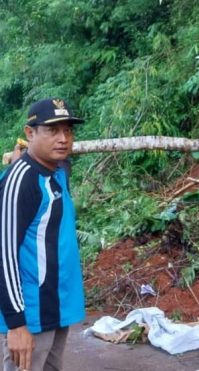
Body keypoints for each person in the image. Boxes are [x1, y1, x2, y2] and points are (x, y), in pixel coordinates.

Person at [0, 98, 85, 371]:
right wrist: (16, 324)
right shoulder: (21, 181)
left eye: (68, 131)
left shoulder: (58, 170)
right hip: (31, 315)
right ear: (29, 133)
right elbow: (4, 254)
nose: (63, 139)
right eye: (51, 130)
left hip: (56, 308)